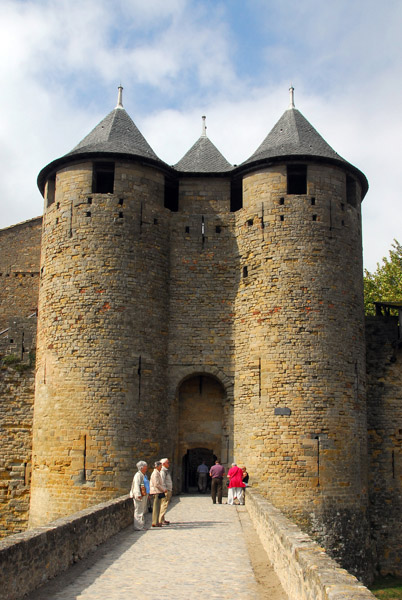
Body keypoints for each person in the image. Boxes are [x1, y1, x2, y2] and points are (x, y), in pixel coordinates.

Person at [129, 460, 148, 530]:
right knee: (138, 511)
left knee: (142, 510)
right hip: (140, 496)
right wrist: (138, 495)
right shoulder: (138, 475)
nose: (146, 468)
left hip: (143, 495)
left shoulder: (143, 475)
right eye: (145, 467)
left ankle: (141, 525)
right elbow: (136, 486)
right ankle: (138, 526)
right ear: (141, 468)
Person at [150, 461, 167, 527]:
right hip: (156, 491)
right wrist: (163, 489)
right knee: (156, 508)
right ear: (157, 466)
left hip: (158, 491)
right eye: (160, 466)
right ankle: (155, 522)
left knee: (158, 507)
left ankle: (156, 521)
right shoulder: (155, 473)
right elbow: (156, 484)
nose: (161, 467)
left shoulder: (157, 473)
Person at [159, 457, 173, 525]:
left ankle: (162, 519)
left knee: (165, 505)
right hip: (165, 490)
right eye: (168, 463)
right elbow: (162, 481)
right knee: (164, 505)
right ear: (163, 464)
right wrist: (164, 489)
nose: (169, 464)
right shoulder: (163, 471)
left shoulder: (165, 470)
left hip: (167, 489)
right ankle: (160, 520)